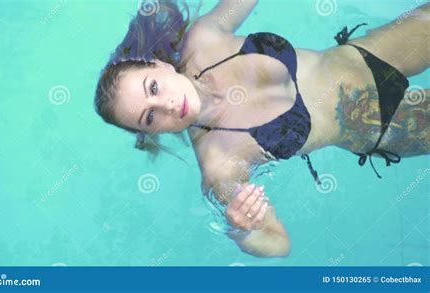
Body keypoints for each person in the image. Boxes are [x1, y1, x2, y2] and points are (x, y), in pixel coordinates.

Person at [94, 0, 430, 257]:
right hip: (382, 124)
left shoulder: (205, 39)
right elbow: (278, 242)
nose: (165, 105)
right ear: (154, 132)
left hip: (369, 54)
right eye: (149, 117)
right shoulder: (220, 164)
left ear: (160, 65)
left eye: (153, 88)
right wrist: (242, 230)